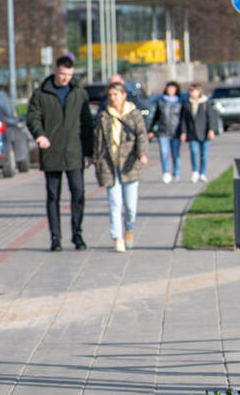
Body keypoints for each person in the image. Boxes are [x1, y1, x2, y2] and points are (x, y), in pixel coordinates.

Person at [26, 55, 95, 251]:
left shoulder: (78, 93)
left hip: (74, 152)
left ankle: (77, 234)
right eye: (63, 74)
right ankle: (55, 238)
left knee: (78, 193)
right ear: (55, 70)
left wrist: (89, 152)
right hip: (52, 151)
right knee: (53, 195)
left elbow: (86, 124)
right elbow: (33, 118)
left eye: (69, 74)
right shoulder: (41, 94)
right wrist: (40, 135)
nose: (65, 78)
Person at [92, 82, 148, 252]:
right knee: (114, 203)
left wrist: (142, 153)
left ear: (124, 95)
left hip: (129, 163)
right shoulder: (104, 116)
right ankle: (117, 237)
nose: (112, 98)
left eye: (115, 95)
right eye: (110, 95)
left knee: (130, 206)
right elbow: (98, 140)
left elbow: (142, 135)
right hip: (110, 164)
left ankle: (129, 229)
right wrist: (96, 160)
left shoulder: (134, 114)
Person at [179, 84, 221, 183]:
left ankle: (203, 173)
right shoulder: (187, 104)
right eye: (190, 91)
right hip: (192, 133)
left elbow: (211, 117)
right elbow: (184, 120)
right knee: (193, 152)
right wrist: (183, 132)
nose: (192, 93)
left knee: (204, 154)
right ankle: (195, 172)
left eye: (194, 91)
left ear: (199, 92)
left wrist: (211, 130)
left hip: (204, 132)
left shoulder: (206, 103)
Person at [148, 81, 183, 183]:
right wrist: (151, 130)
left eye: (173, 88)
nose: (171, 90)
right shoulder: (161, 102)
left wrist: (183, 131)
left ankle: (176, 173)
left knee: (175, 153)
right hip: (163, 131)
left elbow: (183, 119)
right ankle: (166, 172)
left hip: (176, 131)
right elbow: (156, 117)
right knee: (164, 153)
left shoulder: (180, 102)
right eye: (169, 88)